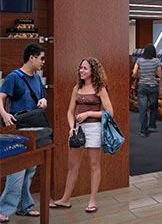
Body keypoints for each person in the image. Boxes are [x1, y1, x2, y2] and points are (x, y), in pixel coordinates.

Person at [49, 57, 113, 214]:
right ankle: (65, 199)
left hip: (94, 129)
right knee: (72, 166)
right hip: (77, 130)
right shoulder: (76, 88)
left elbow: (110, 112)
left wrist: (89, 113)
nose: (81, 71)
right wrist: (72, 127)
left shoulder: (100, 88)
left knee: (93, 165)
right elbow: (70, 112)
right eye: (80, 68)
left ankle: (92, 201)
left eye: (85, 68)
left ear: (93, 71)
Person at [0, 43, 47, 222]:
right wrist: (4, 114)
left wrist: (43, 100)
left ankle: (24, 207)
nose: (43, 62)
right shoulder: (14, 77)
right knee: (17, 172)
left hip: (34, 130)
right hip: (18, 131)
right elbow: (1, 97)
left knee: (29, 170)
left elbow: (42, 96)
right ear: (32, 58)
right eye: (41, 58)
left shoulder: (36, 78)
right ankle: (3, 209)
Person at [132, 43, 162, 137]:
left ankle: (143, 131)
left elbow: (134, 73)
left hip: (142, 87)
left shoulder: (139, 61)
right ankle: (152, 126)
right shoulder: (157, 61)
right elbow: (160, 75)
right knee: (153, 107)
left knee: (142, 109)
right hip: (153, 86)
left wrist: (139, 76)